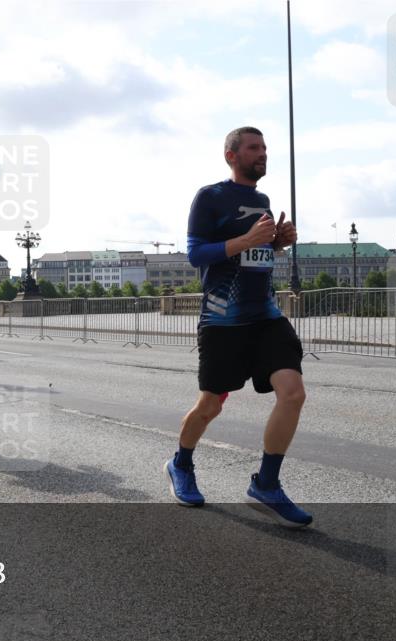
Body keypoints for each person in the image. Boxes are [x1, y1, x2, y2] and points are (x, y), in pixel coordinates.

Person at [166, 126, 310, 528]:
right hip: (222, 319)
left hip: (265, 315)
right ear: (232, 155)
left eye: (264, 147)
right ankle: (181, 464)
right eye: (253, 148)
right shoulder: (210, 196)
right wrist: (247, 239)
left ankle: (266, 484)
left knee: (293, 392)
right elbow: (196, 255)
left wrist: (277, 242)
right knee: (210, 405)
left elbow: (256, 252)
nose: (262, 153)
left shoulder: (262, 200)